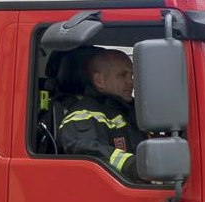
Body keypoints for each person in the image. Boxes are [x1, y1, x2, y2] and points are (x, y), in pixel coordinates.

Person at [54, 48, 145, 178]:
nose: (130, 82)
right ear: (99, 80)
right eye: (122, 75)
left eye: (131, 75)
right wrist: (132, 164)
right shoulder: (83, 115)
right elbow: (85, 148)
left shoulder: (131, 109)